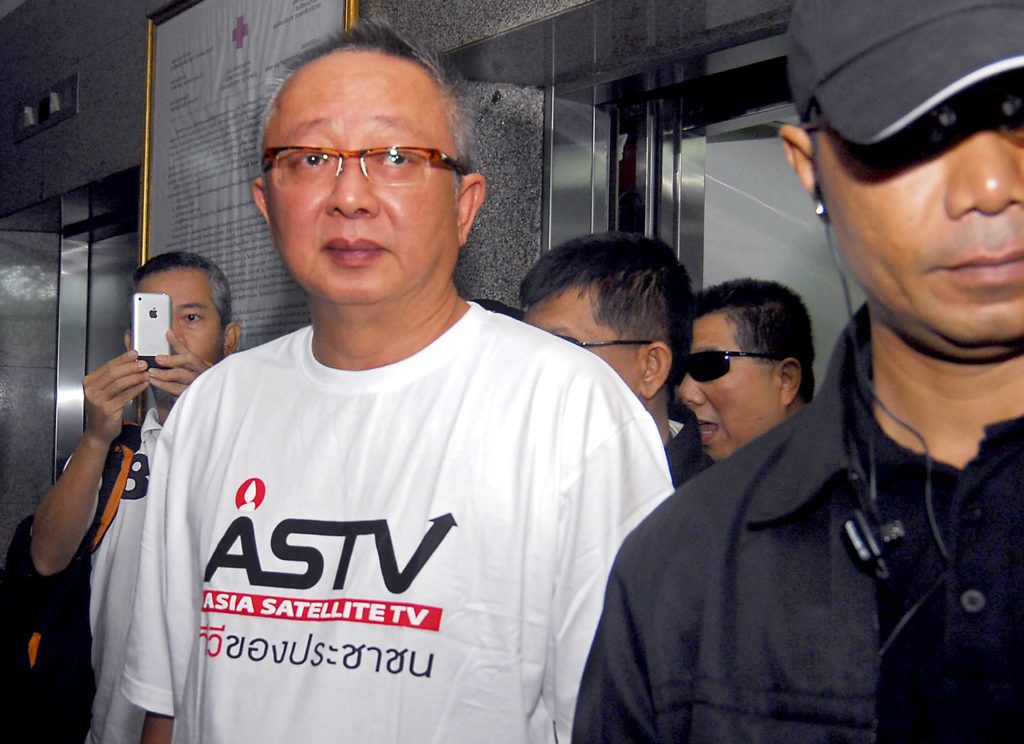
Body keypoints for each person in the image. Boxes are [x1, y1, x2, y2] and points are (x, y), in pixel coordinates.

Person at [122, 20, 672, 744]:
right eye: (311, 157)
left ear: (467, 204)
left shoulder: (572, 413)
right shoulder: (211, 411)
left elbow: (622, 721)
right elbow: (169, 701)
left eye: (395, 156)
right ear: (266, 203)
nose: (350, 195)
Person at [573, 0, 1024, 740]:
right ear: (810, 169)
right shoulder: (687, 568)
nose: (988, 185)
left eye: (1018, 112)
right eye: (913, 133)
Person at [28, 251, 239, 744]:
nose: (171, 339)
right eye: (156, 318)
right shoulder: (114, 451)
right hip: (108, 721)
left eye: (190, 318)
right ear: (130, 342)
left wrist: (208, 405)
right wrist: (96, 436)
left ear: (230, 339)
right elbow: (46, 557)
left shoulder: (259, 444)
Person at [520, 231, 711, 486]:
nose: (531, 371)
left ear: (650, 367)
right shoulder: (512, 481)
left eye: (563, 346)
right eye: (526, 348)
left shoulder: (718, 514)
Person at [677, 277, 814, 461]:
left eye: (708, 366)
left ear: (786, 379)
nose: (686, 394)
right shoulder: (683, 478)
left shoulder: (853, 478)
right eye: (679, 369)